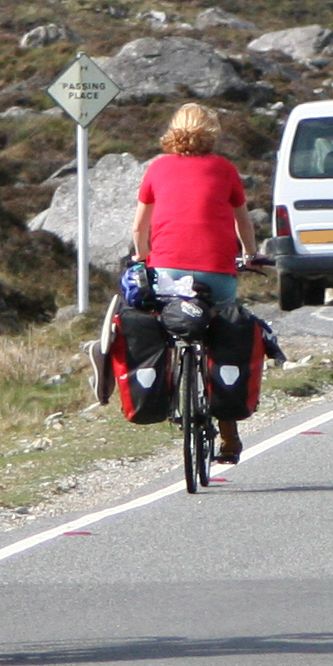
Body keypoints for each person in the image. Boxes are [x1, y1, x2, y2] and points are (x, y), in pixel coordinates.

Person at [129, 100, 255, 462]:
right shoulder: (224, 168)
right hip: (217, 273)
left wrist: (142, 256)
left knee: (168, 325)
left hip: (168, 274)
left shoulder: (157, 168)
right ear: (211, 132)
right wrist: (248, 254)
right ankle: (229, 436)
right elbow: (242, 222)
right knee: (222, 340)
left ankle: (166, 387)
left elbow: (140, 227)